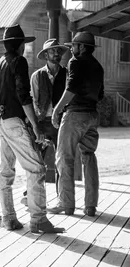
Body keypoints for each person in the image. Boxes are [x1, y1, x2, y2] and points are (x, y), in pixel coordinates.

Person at [0, 24, 64, 233]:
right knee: (37, 168)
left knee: (6, 171)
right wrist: (36, 126)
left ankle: (9, 218)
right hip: (14, 121)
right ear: (20, 45)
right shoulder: (18, 62)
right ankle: (38, 219)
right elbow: (24, 95)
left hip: (0, 122)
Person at [48, 31, 104, 217]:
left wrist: (57, 109)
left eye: (73, 46)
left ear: (81, 47)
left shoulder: (75, 62)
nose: (71, 49)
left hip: (75, 115)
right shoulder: (98, 67)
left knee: (64, 157)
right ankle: (90, 206)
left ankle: (66, 203)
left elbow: (71, 88)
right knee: (89, 156)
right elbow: (101, 94)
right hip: (92, 116)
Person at [21, 39, 69, 206]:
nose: (56, 54)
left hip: (61, 123)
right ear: (46, 55)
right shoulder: (37, 76)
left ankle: (61, 199)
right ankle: (30, 196)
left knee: (61, 161)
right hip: (41, 122)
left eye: (58, 51)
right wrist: (35, 125)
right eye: (52, 51)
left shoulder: (67, 74)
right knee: (36, 160)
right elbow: (33, 101)